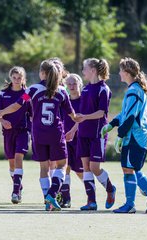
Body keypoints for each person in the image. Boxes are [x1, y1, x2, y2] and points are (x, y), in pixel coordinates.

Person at [0, 59, 76, 211]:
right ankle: (52, 194)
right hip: (55, 133)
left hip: (38, 133)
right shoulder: (62, 91)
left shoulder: (32, 90)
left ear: (42, 73)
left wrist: (3, 111)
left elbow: (18, 104)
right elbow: (71, 114)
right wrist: (79, 118)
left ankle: (47, 199)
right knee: (61, 165)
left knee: (44, 168)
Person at [102, 57, 147, 214]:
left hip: (134, 137)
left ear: (127, 72)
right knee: (132, 168)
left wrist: (120, 135)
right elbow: (124, 113)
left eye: (121, 70)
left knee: (128, 169)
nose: (119, 73)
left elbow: (130, 117)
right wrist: (112, 124)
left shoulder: (134, 91)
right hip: (135, 137)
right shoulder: (134, 90)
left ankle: (131, 204)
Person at [75, 58, 116, 211]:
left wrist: (85, 117)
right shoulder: (85, 89)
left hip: (97, 134)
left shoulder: (103, 89)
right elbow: (82, 112)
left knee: (94, 167)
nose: (83, 71)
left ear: (93, 70)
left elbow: (101, 113)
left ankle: (110, 188)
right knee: (85, 167)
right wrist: (76, 123)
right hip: (83, 133)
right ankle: (91, 201)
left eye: (84, 68)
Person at [0, 66, 30, 204]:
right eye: (14, 77)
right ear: (10, 78)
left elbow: (32, 112)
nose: (16, 80)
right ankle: (18, 185)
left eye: (19, 78)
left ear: (23, 79)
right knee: (11, 163)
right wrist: (2, 121)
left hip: (22, 130)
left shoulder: (26, 94)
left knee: (18, 158)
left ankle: (15, 192)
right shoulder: (3, 94)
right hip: (8, 132)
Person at [59, 73, 84, 208]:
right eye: (69, 84)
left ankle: (91, 194)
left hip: (80, 139)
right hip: (65, 139)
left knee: (80, 171)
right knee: (65, 168)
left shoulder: (84, 100)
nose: (72, 86)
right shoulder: (65, 101)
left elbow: (83, 118)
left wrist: (74, 130)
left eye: (74, 83)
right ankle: (66, 198)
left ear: (79, 84)